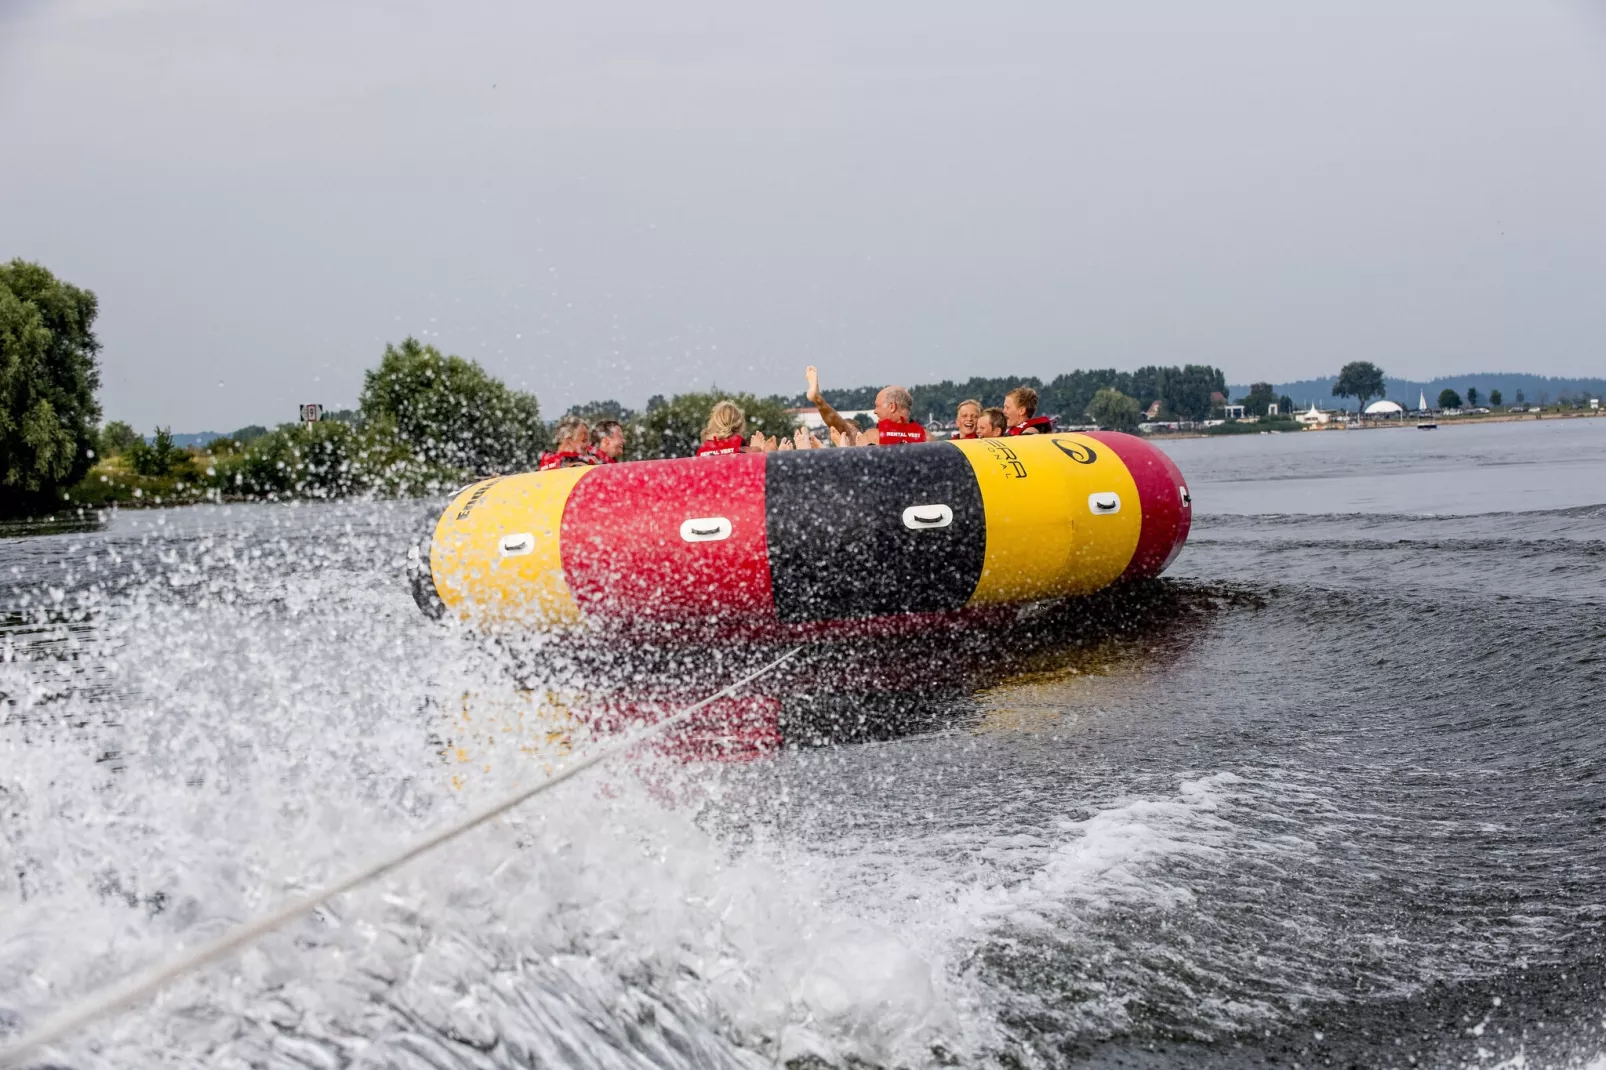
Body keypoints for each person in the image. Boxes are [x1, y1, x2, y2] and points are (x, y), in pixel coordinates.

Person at [805, 365, 926, 446]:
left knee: (847, 433)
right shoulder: (927, 438)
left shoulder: (874, 436)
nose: (875, 411)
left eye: (878, 406)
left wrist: (842, 448)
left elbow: (854, 471)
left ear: (892, 407)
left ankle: (818, 398)